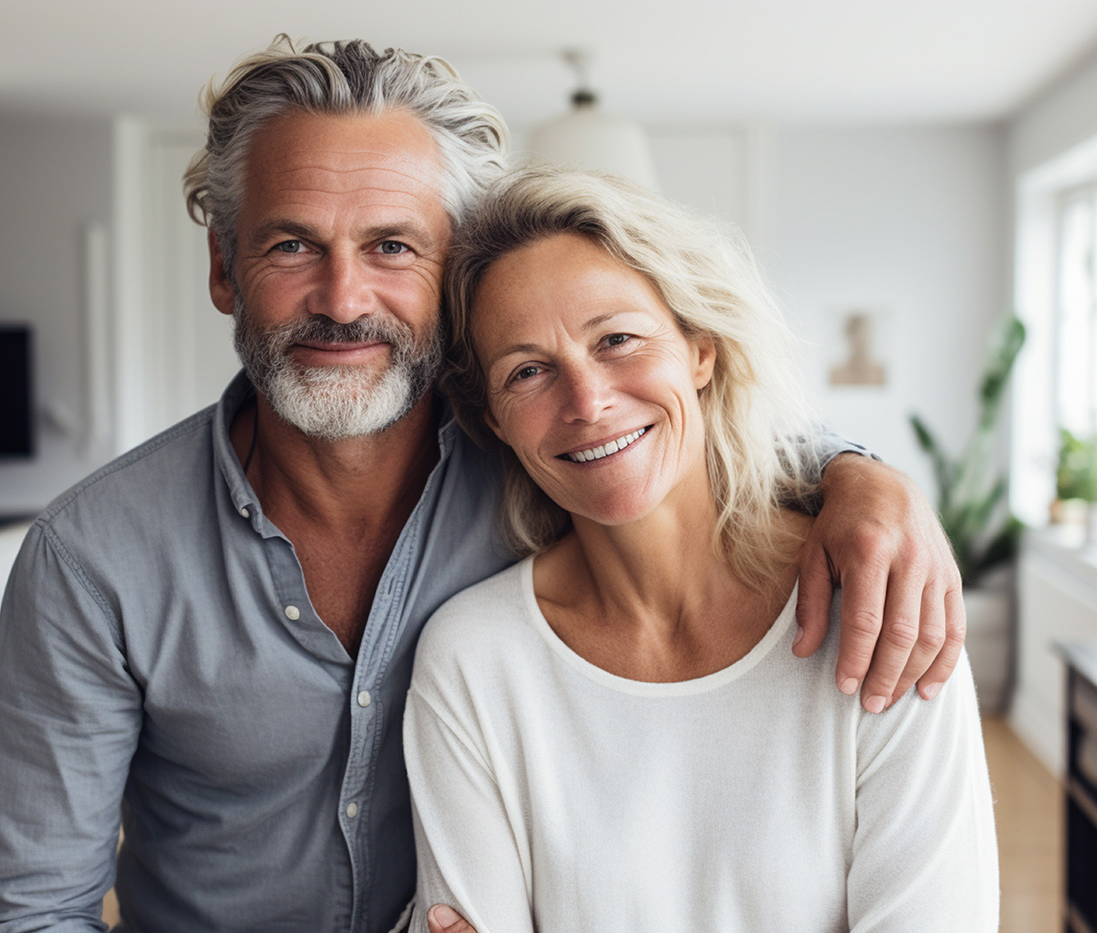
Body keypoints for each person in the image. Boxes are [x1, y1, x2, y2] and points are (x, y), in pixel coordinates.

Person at [0, 37, 968, 933]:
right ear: (224, 268)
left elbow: (662, 427)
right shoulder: (92, 559)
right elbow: (27, 911)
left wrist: (862, 478)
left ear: (449, 278)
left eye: (390, 246)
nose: (342, 299)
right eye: (290, 245)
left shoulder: (532, 446)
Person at [405, 166, 998, 932]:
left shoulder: (882, 607)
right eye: (528, 371)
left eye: (617, 338)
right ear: (492, 419)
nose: (586, 402)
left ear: (701, 350)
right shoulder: (473, 660)